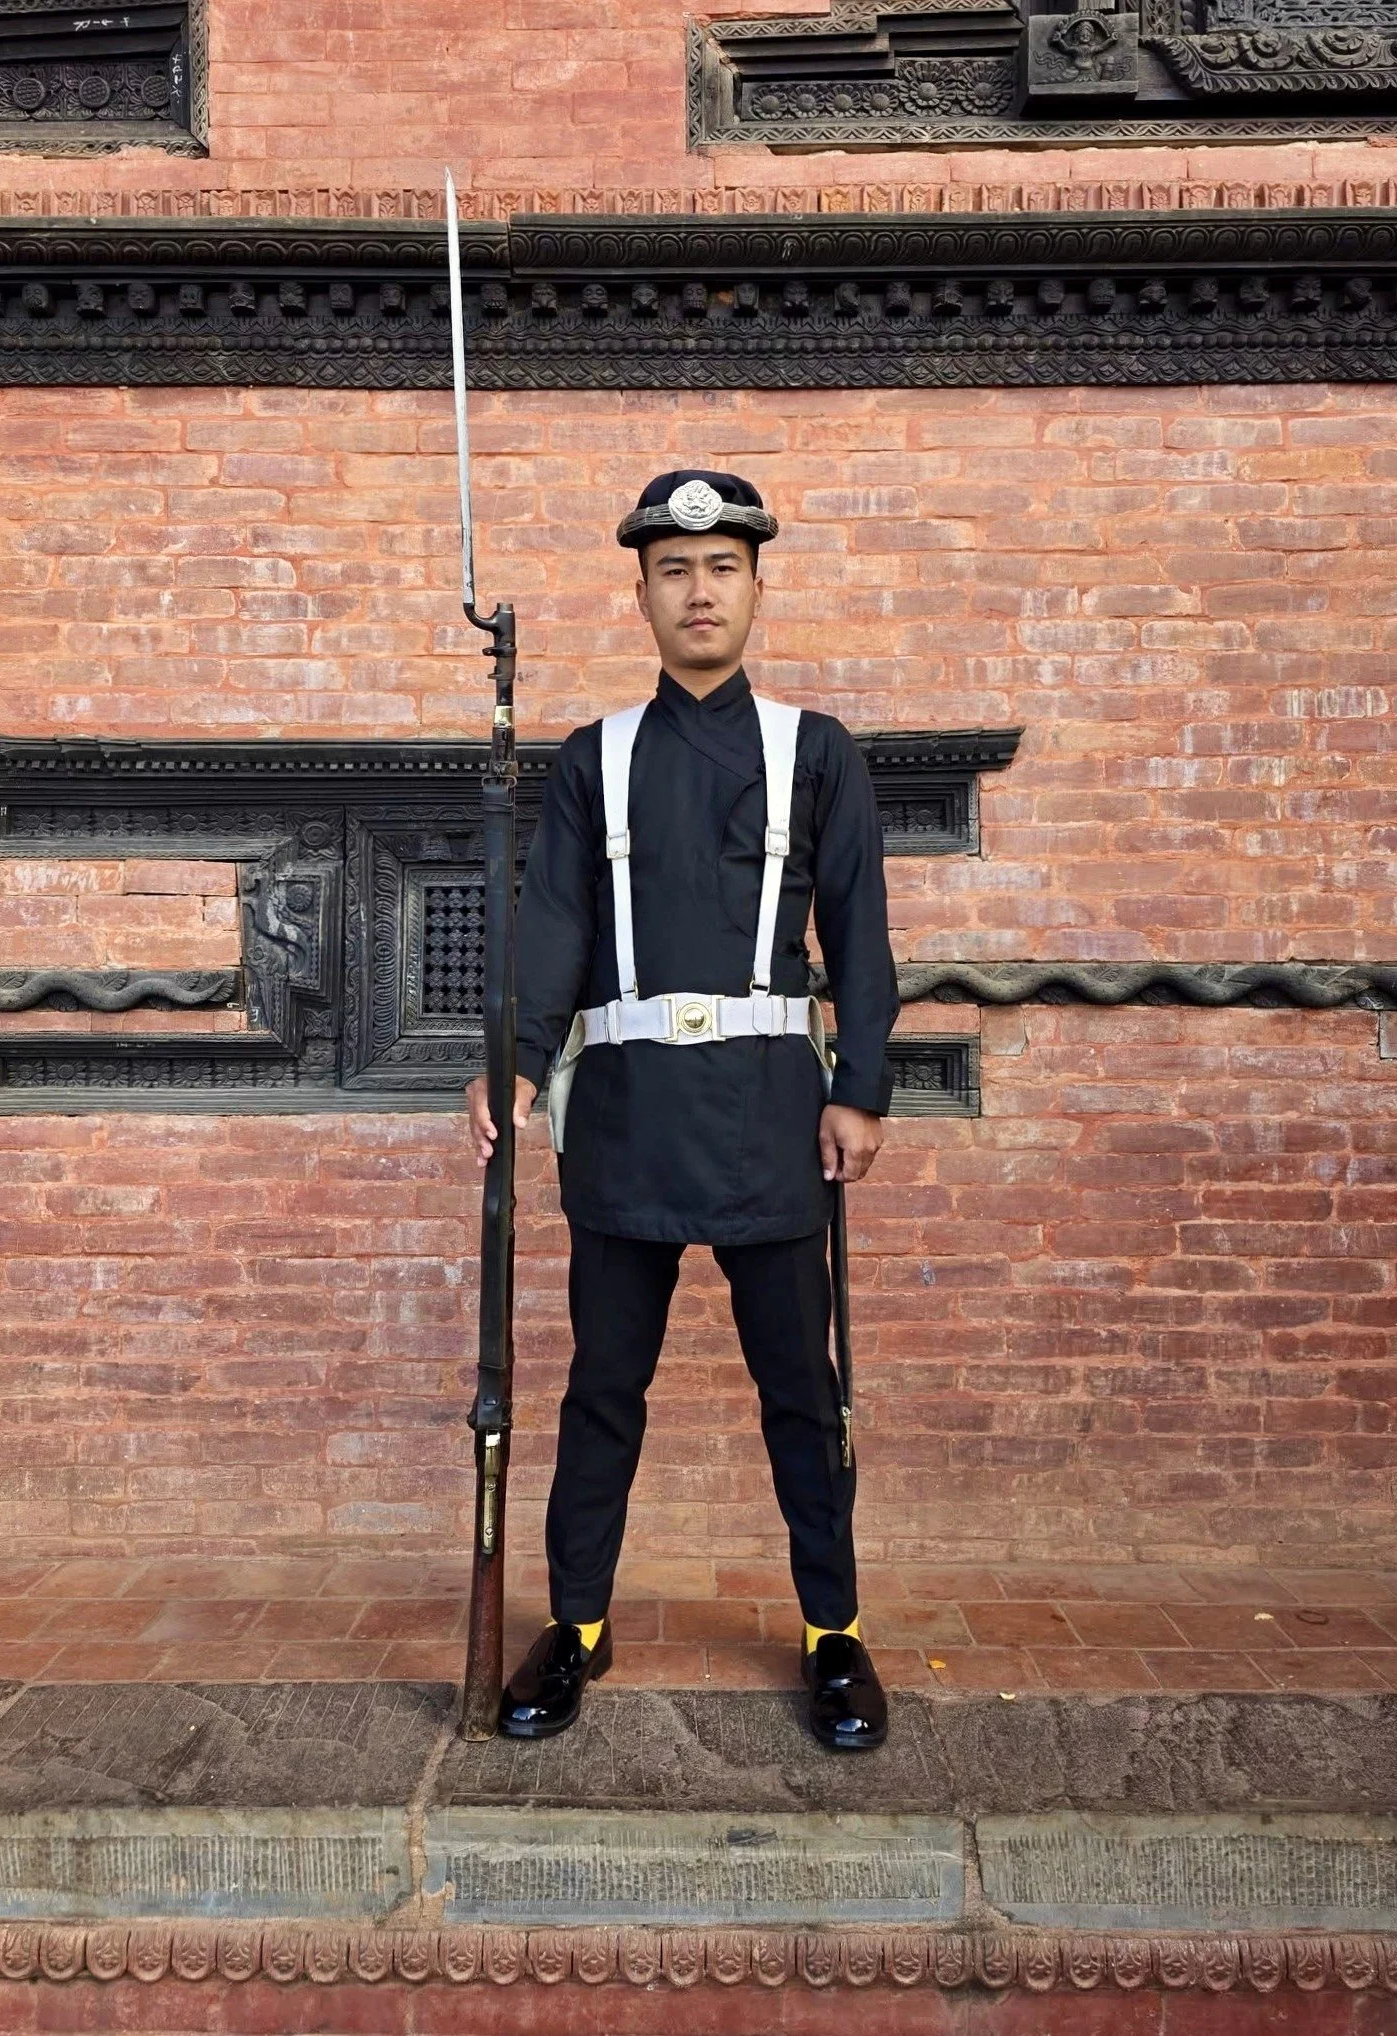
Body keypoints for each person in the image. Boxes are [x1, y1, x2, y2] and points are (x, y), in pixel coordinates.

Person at [464, 470, 899, 1750]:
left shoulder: (816, 750)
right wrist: (519, 1062)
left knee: (800, 1393)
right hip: (631, 1113)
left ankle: (833, 1629)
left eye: (721, 567)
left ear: (756, 585)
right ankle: (580, 1620)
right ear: (642, 592)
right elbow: (553, 928)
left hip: (772, 1110)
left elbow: (862, 935)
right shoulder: (594, 756)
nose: (698, 590)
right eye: (673, 569)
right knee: (603, 1383)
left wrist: (861, 1087)